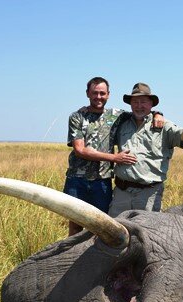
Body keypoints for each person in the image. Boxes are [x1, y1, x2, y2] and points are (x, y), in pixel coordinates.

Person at [64, 77, 163, 236]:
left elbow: (141, 112)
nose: (98, 97)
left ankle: (96, 258)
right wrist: (114, 158)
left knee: (101, 226)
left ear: (108, 95)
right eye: (94, 93)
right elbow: (80, 150)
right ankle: (72, 258)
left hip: (102, 181)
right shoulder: (77, 117)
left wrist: (158, 114)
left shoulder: (117, 115)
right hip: (77, 180)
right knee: (75, 226)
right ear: (87, 94)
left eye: (102, 93)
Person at [108, 82, 183, 217]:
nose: (139, 106)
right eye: (135, 102)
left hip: (148, 193)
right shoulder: (121, 123)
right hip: (121, 193)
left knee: (145, 234)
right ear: (130, 104)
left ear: (151, 104)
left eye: (143, 102)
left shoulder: (162, 125)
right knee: (114, 233)